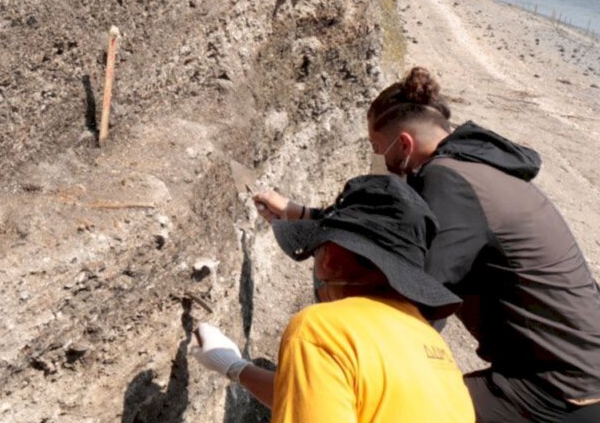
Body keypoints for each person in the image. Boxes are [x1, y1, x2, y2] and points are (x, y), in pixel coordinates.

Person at [261, 67, 600, 422]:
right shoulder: (476, 162)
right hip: (597, 365)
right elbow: (386, 229)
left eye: (377, 147)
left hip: (559, 390)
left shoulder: (446, 184)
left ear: (403, 144)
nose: (379, 159)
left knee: (388, 403)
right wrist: (300, 214)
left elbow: (410, 293)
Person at [191, 175, 475, 423]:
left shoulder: (322, 329)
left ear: (332, 260)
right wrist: (235, 368)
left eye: (316, 253)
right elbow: (316, 401)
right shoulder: (432, 344)